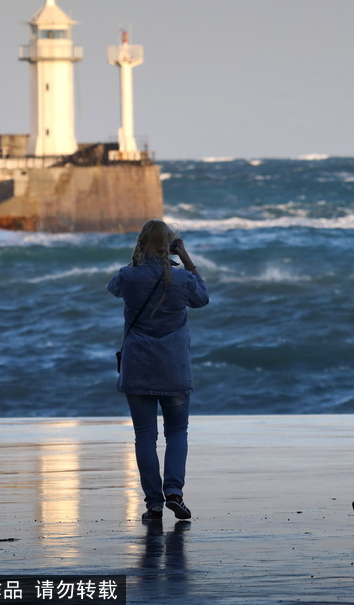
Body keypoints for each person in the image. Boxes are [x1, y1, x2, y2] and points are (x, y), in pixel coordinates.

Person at [108, 220, 209, 522]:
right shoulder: (182, 279)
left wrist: (138, 259)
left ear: (140, 243)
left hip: (138, 364)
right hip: (173, 366)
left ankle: (153, 504)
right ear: (170, 245)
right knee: (176, 431)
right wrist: (185, 257)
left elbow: (113, 288)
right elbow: (202, 299)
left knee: (144, 436)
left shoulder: (128, 276)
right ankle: (174, 493)